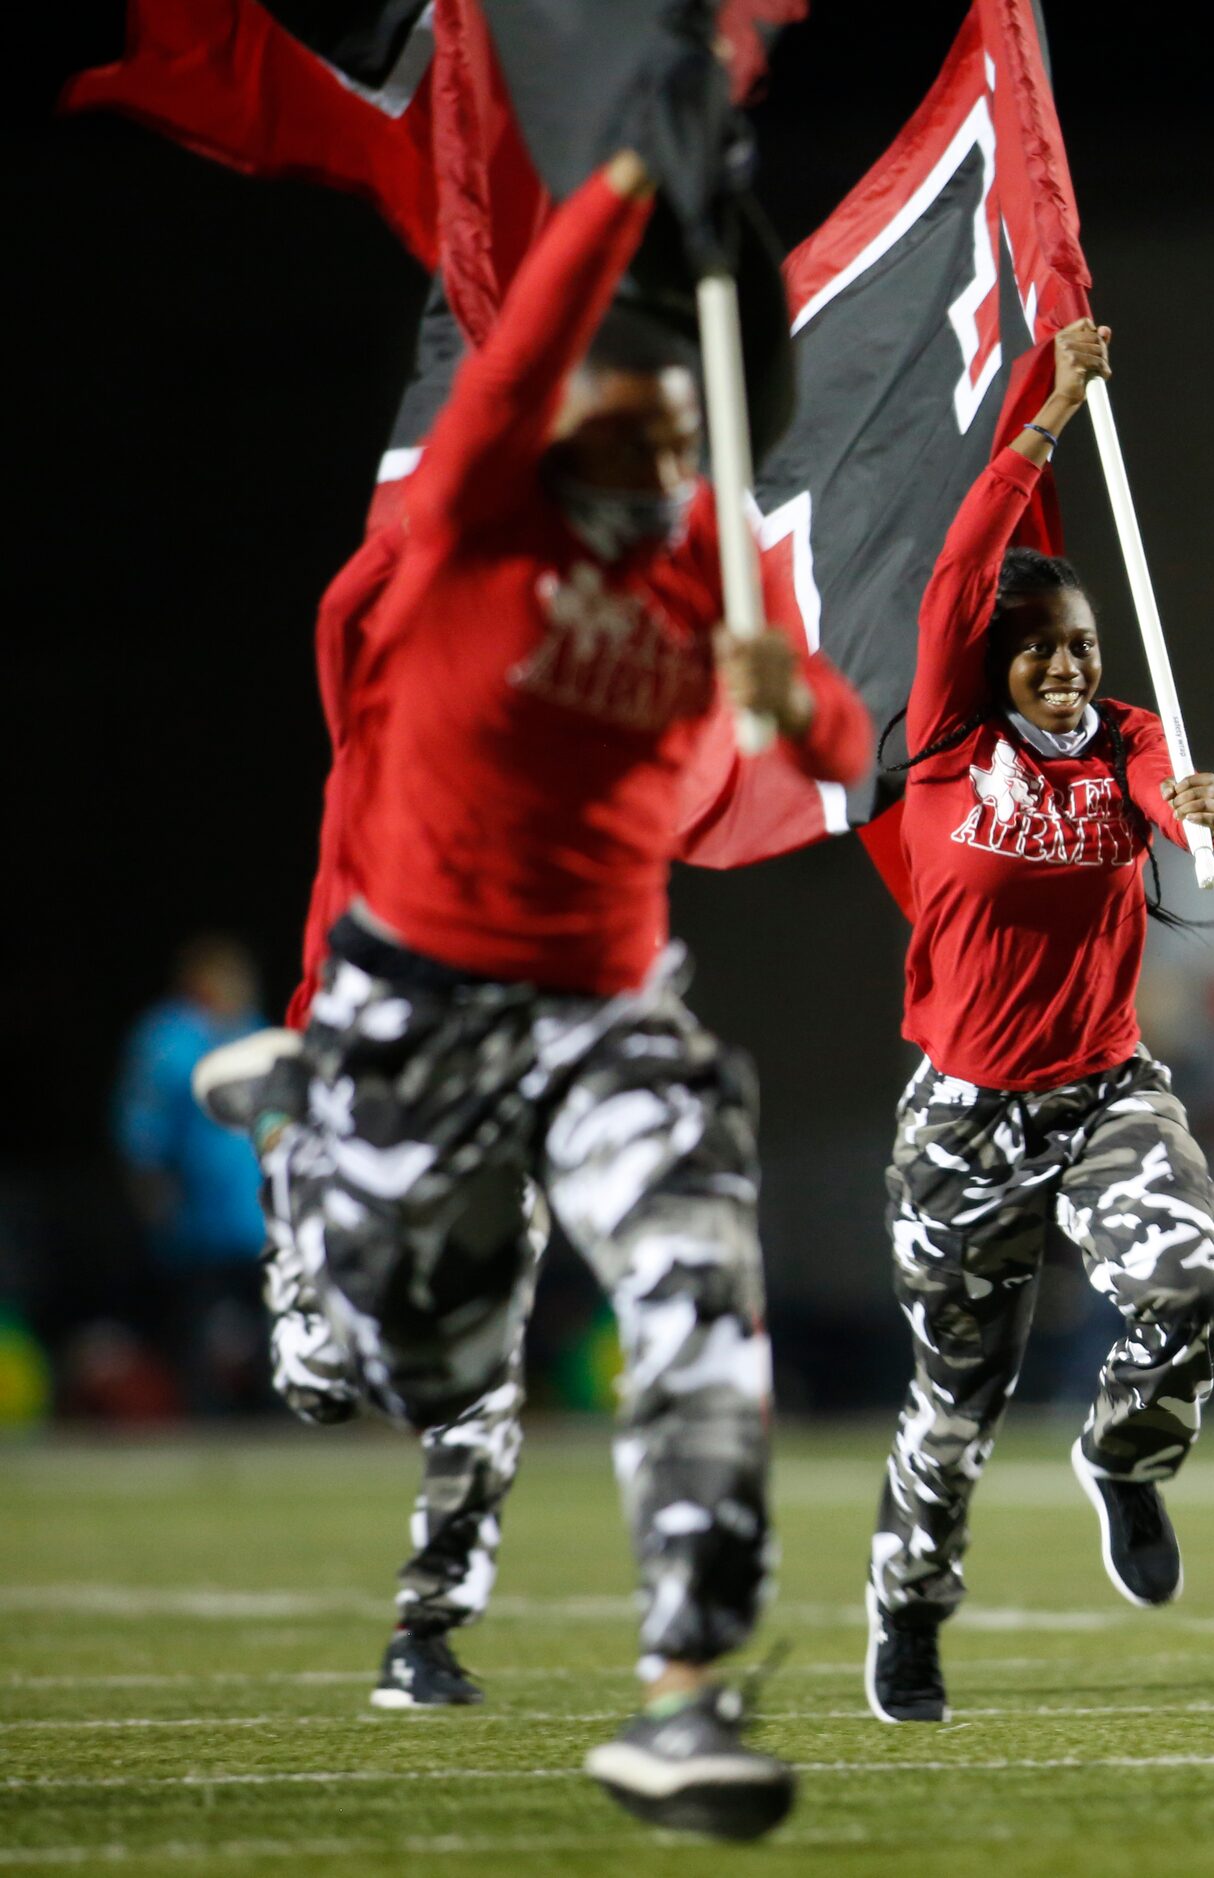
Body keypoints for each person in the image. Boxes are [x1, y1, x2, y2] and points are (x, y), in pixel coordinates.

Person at [191, 153, 869, 1837]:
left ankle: (686, 1696)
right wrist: (640, 158)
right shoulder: (485, 496)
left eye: (675, 413)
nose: (652, 435)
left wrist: (798, 706)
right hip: (417, 1003)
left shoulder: (709, 560)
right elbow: (535, 328)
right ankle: (305, 1118)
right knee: (380, 1349)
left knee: (699, 1268)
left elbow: (847, 749)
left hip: (604, 1005)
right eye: (619, 402)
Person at [855, 319, 1214, 1726]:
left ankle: (1127, 1455)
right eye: (1038, 651)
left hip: (1102, 1095)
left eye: (1080, 646)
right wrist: (1051, 409)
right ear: (989, 663)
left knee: (1189, 1287)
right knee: (953, 1407)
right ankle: (908, 1610)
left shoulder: (1131, 738)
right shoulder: (945, 753)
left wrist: (1191, 806)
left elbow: (1168, 782)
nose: (1067, 668)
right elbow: (962, 573)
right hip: (960, 1120)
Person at [195, 476, 536, 1714]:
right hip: (354, 1074)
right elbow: (356, 597)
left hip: (487, 1093)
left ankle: (427, 1629)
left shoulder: (541, 756)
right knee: (321, 1384)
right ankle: (295, 1222)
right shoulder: (376, 721)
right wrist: (464, 473)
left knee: (480, 1384)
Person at [113, 936, 270, 1411]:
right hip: (198, 1219)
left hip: (257, 1216)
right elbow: (143, 1124)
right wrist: (151, 1187)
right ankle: (200, 1415)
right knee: (196, 1324)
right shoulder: (167, 1038)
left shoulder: (254, 1034)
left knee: (270, 1321)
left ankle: (275, 1416)